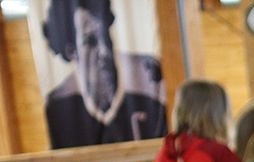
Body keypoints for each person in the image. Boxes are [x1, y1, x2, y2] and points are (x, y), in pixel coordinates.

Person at [41, 0, 166, 148]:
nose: (104, 51)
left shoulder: (150, 77)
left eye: (105, 35)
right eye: (91, 41)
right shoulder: (58, 106)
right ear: (71, 51)